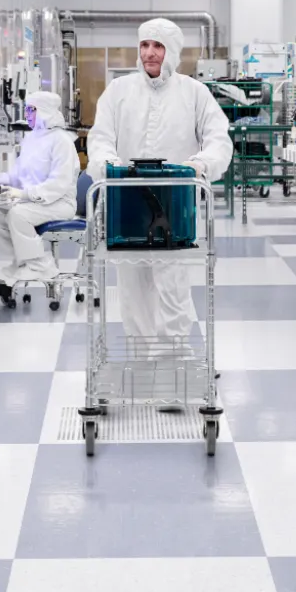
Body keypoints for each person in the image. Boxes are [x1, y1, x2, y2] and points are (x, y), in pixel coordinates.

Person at [86, 18, 233, 351]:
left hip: (174, 206)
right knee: (132, 288)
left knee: (172, 286)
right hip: (127, 204)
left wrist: (199, 165)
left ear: (172, 51)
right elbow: (101, 138)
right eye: (144, 45)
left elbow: (218, 141)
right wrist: (107, 165)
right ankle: (142, 357)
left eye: (158, 46)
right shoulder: (119, 91)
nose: (149, 53)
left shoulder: (194, 93)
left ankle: (173, 359)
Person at [0, 90, 79, 281]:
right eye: (26, 110)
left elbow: (59, 184)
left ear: (44, 111)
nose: (26, 114)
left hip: (59, 203)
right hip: (34, 201)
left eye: (30, 110)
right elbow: (18, 175)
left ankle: (39, 266)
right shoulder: (31, 139)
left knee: (18, 215)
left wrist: (26, 195)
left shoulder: (62, 141)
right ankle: (28, 260)